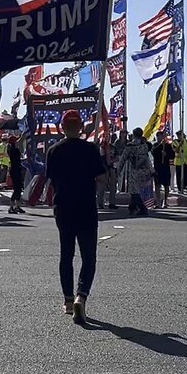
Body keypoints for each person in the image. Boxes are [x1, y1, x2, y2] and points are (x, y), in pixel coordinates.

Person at [45, 110, 106, 324]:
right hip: (86, 207)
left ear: (62, 127)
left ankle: (68, 300)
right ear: (80, 127)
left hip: (63, 208)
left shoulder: (54, 150)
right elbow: (101, 177)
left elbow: (50, 178)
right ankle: (82, 295)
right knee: (89, 257)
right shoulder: (90, 149)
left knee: (66, 255)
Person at [119, 128, 154, 215]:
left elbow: (123, 159)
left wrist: (119, 170)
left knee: (134, 191)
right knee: (138, 190)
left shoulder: (130, 146)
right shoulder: (144, 146)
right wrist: (151, 170)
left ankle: (141, 208)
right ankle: (132, 207)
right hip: (144, 171)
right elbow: (147, 158)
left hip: (134, 171)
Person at [151, 133, 174, 209]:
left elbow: (172, 155)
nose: (160, 138)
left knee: (166, 185)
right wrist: (160, 146)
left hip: (165, 167)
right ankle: (158, 202)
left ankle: (165, 202)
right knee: (157, 185)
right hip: (158, 167)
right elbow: (153, 152)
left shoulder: (167, 146)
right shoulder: (155, 145)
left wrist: (166, 154)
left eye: (161, 136)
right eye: (158, 137)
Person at [7, 136, 25, 214]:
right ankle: (11, 206)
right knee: (17, 188)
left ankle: (17, 206)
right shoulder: (13, 149)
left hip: (16, 169)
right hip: (15, 169)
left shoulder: (12, 148)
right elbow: (18, 158)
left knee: (19, 188)